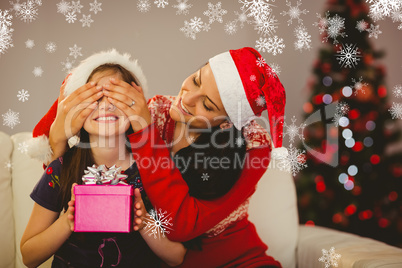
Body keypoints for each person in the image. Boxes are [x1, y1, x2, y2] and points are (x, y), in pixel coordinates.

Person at [28, 47, 286, 267]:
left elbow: (180, 226)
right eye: (196, 80)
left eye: (207, 105)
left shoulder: (253, 147)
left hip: (232, 259)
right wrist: (60, 130)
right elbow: (65, 175)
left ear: (226, 124)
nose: (187, 98)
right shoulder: (156, 111)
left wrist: (145, 131)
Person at [21, 50, 187, 268]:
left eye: (116, 96)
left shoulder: (151, 170)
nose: (106, 105)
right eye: (95, 97)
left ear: (135, 107)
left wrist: (144, 221)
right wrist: (68, 221)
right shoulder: (62, 169)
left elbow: (177, 257)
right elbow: (28, 256)